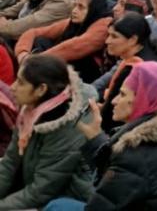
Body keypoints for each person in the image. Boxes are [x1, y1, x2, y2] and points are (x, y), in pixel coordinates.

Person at [48, 61, 157, 211]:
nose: (114, 101)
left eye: (122, 94)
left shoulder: (136, 153)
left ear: (141, 100)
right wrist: (95, 137)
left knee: (57, 206)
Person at [0, 54, 93, 210]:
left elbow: (43, 189)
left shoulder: (67, 126)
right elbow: (10, 162)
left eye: (21, 83)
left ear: (41, 89)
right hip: (34, 187)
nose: (12, 87)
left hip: (62, 200)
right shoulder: (29, 111)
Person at [15, 0, 112, 83]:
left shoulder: (103, 25)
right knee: (41, 40)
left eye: (81, 7)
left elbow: (75, 47)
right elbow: (33, 32)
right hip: (56, 64)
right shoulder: (73, 22)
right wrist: (22, 54)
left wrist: (35, 62)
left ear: (93, 9)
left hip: (87, 75)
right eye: (74, 6)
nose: (74, 11)